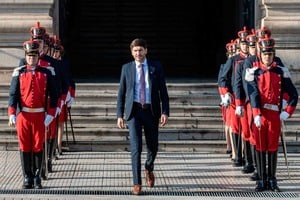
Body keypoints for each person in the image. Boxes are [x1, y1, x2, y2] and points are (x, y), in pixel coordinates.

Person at [116, 38, 170, 195]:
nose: (138, 53)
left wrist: (165, 111)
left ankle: (149, 167)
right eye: (135, 51)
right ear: (131, 52)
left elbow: (163, 92)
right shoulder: (126, 68)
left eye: (140, 50)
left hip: (151, 111)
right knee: (136, 148)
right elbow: (121, 93)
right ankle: (137, 182)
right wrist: (120, 114)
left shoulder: (156, 67)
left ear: (146, 50)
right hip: (134, 112)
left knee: (153, 146)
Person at [245, 35, 298, 192]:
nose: (267, 57)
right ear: (260, 54)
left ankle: (272, 179)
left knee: (273, 148)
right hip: (260, 114)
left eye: (270, 54)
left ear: (273, 54)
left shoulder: (281, 72)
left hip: (275, 115)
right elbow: (253, 94)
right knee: (260, 146)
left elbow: (293, 95)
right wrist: (256, 114)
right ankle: (261, 179)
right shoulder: (254, 72)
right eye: (265, 53)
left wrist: (287, 112)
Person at [8, 39, 58, 189]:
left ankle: (37, 177)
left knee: (38, 146)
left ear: (38, 56)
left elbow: (53, 95)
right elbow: (13, 94)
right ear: (26, 56)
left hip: (39, 116)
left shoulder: (47, 72)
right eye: (29, 56)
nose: (32, 59)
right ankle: (26, 177)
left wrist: (50, 114)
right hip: (23, 115)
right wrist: (11, 113)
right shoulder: (19, 72)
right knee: (25, 146)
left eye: (34, 56)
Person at [219, 26, 250, 167]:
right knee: (236, 127)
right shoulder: (234, 60)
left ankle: (247, 157)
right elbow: (223, 78)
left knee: (248, 128)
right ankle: (237, 155)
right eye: (243, 44)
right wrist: (225, 94)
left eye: (247, 44)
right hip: (235, 98)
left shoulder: (254, 59)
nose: (245, 46)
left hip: (249, 99)